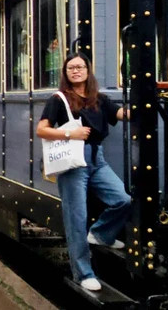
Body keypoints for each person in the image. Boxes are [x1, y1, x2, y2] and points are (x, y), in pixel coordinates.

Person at [35, 53, 131, 292]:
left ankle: (100, 234)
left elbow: (120, 114)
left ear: (88, 71)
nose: (75, 71)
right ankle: (83, 273)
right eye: (70, 68)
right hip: (74, 160)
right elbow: (42, 130)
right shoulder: (59, 99)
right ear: (66, 73)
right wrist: (70, 133)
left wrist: (144, 101)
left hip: (97, 158)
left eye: (80, 67)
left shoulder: (99, 99)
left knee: (123, 199)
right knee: (76, 218)